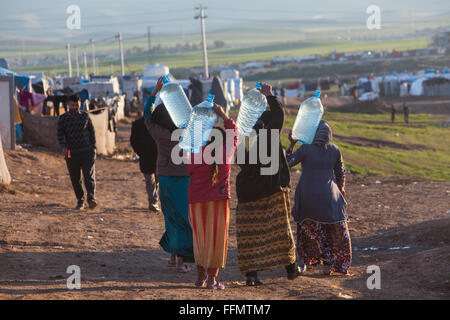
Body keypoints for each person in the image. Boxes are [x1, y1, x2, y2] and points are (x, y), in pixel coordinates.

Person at [235, 82, 303, 286]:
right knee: (280, 231)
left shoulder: (241, 143)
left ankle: (251, 276)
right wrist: (270, 95)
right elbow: (279, 117)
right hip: (272, 191)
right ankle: (291, 269)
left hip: (248, 195)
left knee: (251, 235)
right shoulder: (268, 140)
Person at [286, 120, 351, 275]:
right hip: (330, 197)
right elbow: (341, 173)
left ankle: (307, 261)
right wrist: (341, 189)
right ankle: (329, 265)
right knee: (331, 232)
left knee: (310, 231)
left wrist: (291, 145)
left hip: (308, 196)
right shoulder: (335, 150)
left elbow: (288, 162)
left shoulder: (306, 149)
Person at [143, 77, 194, 273]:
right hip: (183, 177)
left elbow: (147, 114)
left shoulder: (157, 132)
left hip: (163, 176)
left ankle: (173, 257)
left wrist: (155, 91)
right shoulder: (185, 132)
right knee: (184, 218)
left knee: (171, 217)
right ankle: (182, 262)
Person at [187, 105, 238, 290]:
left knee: (200, 238)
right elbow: (234, 133)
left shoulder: (197, 153)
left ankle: (200, 277)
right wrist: (224, 115)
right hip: (218, 201)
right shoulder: (226, 153)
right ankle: (211, 279)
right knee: (216, 240)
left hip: (196, 201)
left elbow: (189, 169)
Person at [57, 94, 97, 210]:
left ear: (80, 105)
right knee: (75, 178)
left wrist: (93, 148)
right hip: (71, 153)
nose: (75, 107)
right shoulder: (63, 119)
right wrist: (63, 147)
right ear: (68, 105)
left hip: (87, 152)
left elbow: (92, 132)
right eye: (72, 105)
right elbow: (59, 135)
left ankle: (91, 199)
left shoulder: (85, 116)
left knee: (88, 176)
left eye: (77, 105)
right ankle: (80, 201)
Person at [130, 116, 160, 212]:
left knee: (152, 181)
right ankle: (153, 201)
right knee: (153, 180)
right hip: (155, 157)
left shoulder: (138, 123)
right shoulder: (159, 123)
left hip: (149, 157)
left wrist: (140, 152)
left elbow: (133, 141)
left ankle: (153, 201)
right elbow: (134, 141)